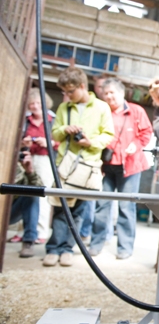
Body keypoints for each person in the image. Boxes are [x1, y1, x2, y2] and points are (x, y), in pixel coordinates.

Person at [43, 66, 114, 267]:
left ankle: (67, 249)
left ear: (82, 86)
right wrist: (65, 129)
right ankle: (53, 248)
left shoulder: (101, 107)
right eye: (64, 92)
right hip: (65, 165)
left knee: (78, 211)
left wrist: (91, 142)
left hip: (87, 166)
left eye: (70, 91)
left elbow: (108, 135)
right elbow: (55, 133)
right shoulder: (64, 108)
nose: (67, 95)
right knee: (59, 207)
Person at [89, 78, 153, 259]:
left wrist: (136, 144)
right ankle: (96, 243)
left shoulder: (136, 111)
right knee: (102, 206)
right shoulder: (102, 111)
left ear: (122, 93)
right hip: (107, 166)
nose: (109, 96)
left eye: (113, 93)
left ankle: (125, 248)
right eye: (106, 93)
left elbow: (147, 132)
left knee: (126, 207)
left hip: (130, 166)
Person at [9, 88, 58, 244]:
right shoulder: (25, 120)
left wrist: (49, 143)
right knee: (23, 191)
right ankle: (22, 231)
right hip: (28, 156)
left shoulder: (53, 120)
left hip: (45, 159)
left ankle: (41, 231)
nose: (35, 106)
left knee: (41, 194)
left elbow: (61, 142)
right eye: (32, 104)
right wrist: (24, 142)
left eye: (38, 103)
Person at [9, 150, 43, 258]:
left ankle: (28, 241)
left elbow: (39, 188)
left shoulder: (18, 167)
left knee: (32, 193)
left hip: (9, 211)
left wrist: (29, 171)